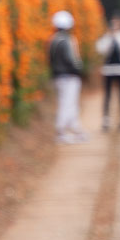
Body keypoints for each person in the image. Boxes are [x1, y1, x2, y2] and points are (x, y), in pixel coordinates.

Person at [48, 10, 87, 144]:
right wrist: (80, 68)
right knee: (68, 104)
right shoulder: (68, 40)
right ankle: (61, 131)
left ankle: (75, 129)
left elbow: (50, 60)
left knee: (66, 103)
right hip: (70, 76)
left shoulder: (52, 40)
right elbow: (73, 60)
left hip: (57, 76)